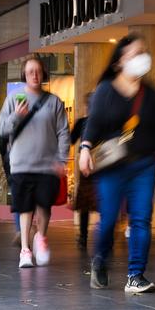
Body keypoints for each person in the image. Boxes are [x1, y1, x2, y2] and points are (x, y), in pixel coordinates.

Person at [79, 33, 155, 293]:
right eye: (134, 54)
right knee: (108, 220)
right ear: (119, 62)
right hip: (112, 168)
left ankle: (135, 275)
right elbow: (93, 123)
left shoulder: (150, 93)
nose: (141, 58)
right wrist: (85, 148)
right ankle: (100, 259)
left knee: (141, 219)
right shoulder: (106, 89)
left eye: (143, 52)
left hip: (143, 165)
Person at [0, 56, 70, 268]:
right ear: (24, 75)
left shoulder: (54, 101)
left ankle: (41, 238)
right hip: (21, 164)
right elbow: (2, 128)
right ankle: (25, 250)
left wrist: (62, 158)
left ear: (44, 73)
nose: (35, 75)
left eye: (38, 71)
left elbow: (63, 132)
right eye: (30, 72)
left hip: (47, 165)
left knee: (44, 205)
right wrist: (16, 117)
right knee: (26, 207)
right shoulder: (14, 99)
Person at [70, 93, 98, 249]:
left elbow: (71, 139)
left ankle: (83, 237)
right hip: (100, 165)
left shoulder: (83, 122)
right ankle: (103, 237)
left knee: (85, 204)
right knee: (103, 201)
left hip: (88, 166)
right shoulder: (102, 122)